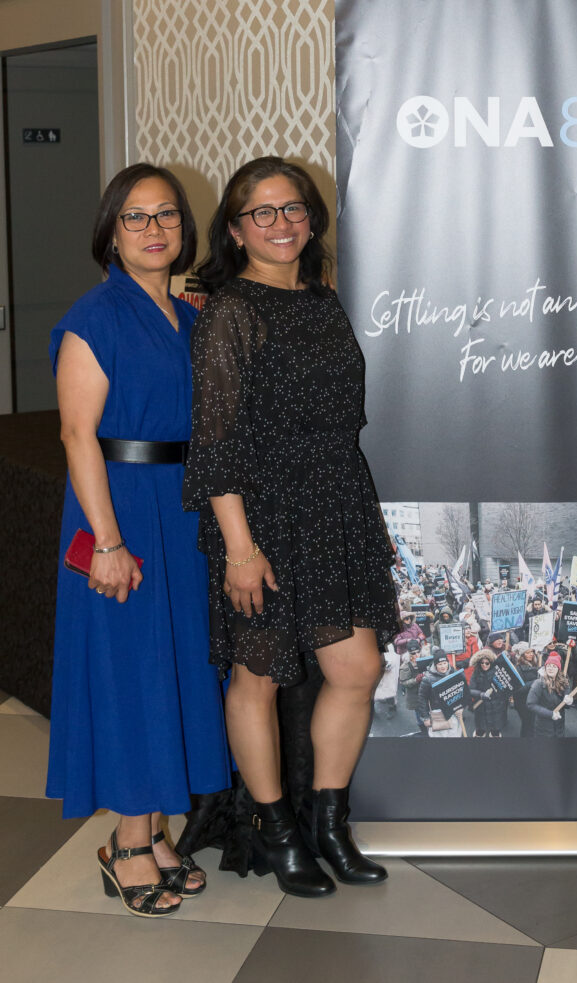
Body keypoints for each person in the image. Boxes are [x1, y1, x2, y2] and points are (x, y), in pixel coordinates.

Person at [184, 156, 399, 898]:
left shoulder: (322, 298)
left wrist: (360, 515)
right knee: (257, 676)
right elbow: (215, 444)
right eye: (262, 212)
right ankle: (277, 831)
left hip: (333, 504)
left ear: (312, 219)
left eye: (294, 209)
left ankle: (328, 825)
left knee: (356, 668)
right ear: (236, 230)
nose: (281, 223)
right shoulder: (230, 312)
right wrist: (239, 549)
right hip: (261, 516)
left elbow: (341, 422)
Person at [47, 164, 231, 917]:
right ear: (111, 232)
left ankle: (154, 831)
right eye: (135, 217)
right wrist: (107, 541)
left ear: (184, 227)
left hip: (181, 510)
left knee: (174, 666)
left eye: (166, 215)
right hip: (119, 507)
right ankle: (126, 843)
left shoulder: (189, 316)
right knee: (132, 670)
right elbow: (76, 434)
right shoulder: (94, 316)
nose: (154, 230)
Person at [526, 653, 573, 737]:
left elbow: (566, 697)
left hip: (559, 726)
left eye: (554, 666)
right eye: (548, 666)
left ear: (558, 669)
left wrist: (569, 701)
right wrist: (550, 714)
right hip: (544, 727)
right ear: (545, 668)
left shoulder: (564, 682)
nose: (551, 668)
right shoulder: (539, 684)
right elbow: (531, 704)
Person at [469, 648, 509, 737]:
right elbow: (471, 689)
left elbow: (504, 689)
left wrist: (497, 695)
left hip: (495, 704)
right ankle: (480, 732)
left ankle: (495, 733)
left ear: (491, 662)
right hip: (481, 704)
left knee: (496, 725)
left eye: (487, 663)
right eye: (482, 663)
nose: (484, 665)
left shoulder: (498, 672)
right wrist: (480, 694)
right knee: (480, 724)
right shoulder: (476, 673)